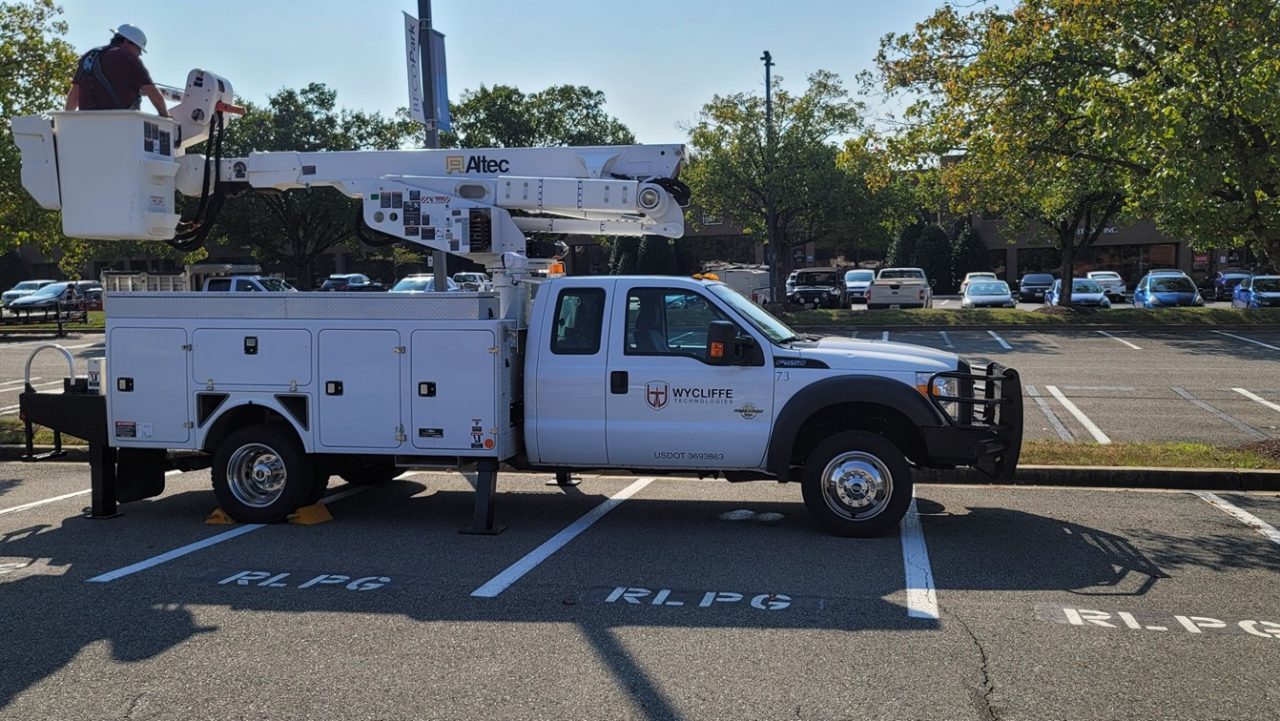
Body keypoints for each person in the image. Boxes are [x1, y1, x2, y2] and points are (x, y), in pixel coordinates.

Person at [64, 24, 169, 118]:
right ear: (128, 42)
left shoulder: (90, 56)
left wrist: (66, 121)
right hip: (120, 125)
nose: (139, 54)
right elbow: (151, 91)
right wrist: (166, 116)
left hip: (86, 126)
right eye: (139, 49)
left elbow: (74, 95)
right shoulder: (128, 58)